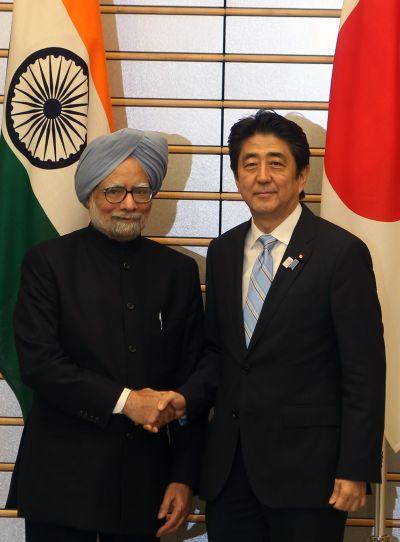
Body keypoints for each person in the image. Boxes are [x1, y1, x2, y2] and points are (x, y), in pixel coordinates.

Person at [156, 110, 386, 542]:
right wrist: (183, 399)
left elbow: (364, 371)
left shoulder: (341, 254)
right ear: (237, 177)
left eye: (276, 163)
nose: (262, 176)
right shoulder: (222, 252)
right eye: (250, 163)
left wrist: (354, 467)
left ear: (302, 176)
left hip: (310, 476)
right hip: (229, 474)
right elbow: (218, 354)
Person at [7, 128, 204, 542]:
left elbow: (194, 378)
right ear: (90, 193)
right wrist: (126, 402)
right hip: (61, 481)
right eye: (114, 191)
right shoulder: (48, 263)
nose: (129, 204)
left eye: (141, 191)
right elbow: (40, 365)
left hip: (146, 484)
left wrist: (183, 477)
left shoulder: (178, 272)